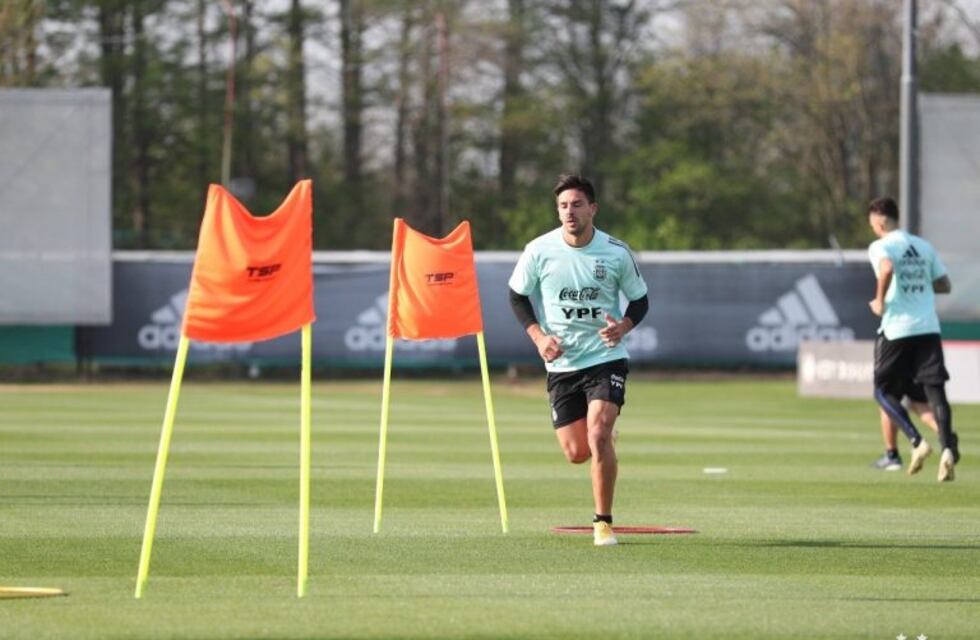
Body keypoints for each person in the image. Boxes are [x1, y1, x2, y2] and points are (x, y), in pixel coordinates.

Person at [508, 174, 649, 546]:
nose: (569, 212)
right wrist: (538, 337)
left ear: (593, 208)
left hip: (606, 358)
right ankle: (603, 438)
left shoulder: (616, 252)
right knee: (576, 453)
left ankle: (602, 523)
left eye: (576, 204)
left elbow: (640, 300)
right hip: (562, 363)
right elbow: (517, 296)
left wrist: (624, 326)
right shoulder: (539, 250)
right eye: (563, 206)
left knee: (598, 433)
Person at [867, 196, 960, 481]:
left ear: (880, 222)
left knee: (882, 391)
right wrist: (919, 285)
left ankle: (917, 442)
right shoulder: (923, 246)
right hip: (928, 328)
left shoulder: (881, 246)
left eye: (872, 224)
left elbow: (886, 268)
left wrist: (879, 300)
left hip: (898, 329)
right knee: (935, 392)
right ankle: (947, 449)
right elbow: (944, 284)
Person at [870, 383, 939, 471]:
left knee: (885, 398)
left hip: (893, 371)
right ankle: (947, 438)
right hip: (913, 371)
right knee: (918, 403)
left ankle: (893, 455)